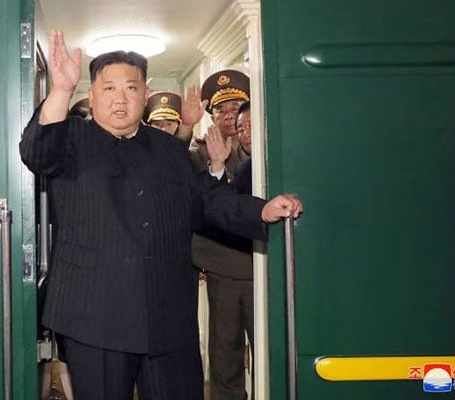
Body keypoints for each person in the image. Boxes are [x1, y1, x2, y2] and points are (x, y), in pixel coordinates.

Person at [19, 30, 302, 400]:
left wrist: (261, 210)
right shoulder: (72, 138)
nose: (121, 98)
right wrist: (60, 90)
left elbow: (209, 199)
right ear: (91, 94)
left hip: (167, 315)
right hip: (93, 315)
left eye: (131, 88)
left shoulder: (170, 151)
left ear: (145, 93)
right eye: (109, 88)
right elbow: (36, 153)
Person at [190, 71, 255, 400]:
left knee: (268, 347)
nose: (229, 117)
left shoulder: (259, 147)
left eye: (235, 109)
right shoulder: (198, 155)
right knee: (225, 350)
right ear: (210, 116)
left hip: (262, 266)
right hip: (222, 267)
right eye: (220, 110)